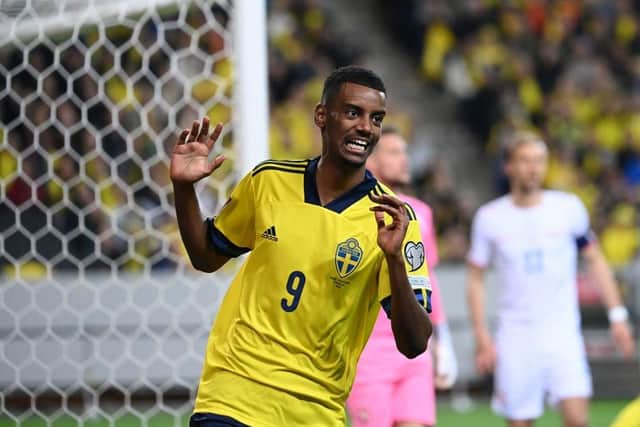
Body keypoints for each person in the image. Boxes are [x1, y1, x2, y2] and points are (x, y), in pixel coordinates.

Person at [170, 66, 433, 427]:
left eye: (376, 119)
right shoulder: (268, 181)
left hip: (314, 407)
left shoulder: (394, 219)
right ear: (322, 116)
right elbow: (205, 256)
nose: (365, 127)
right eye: (353, 113)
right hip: (235, 390)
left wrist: (394, 260)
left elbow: (415, 342)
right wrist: (184, 189)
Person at [466, 132, 636, 427]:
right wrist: (482, 335)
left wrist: (617, 314)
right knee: (519, 422)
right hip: (516, 334)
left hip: (563, 333)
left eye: (539, 161)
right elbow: (475, 278)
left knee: (576, 420)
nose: (533, 168)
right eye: (525, 161)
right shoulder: (490, 217)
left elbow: (595, 260)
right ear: (509, 166)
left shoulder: (567, 208)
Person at [346, 128, 458, 427]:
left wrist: (442, 339)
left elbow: (428, 278)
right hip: (367, 349)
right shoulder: (353, 212)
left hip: (413, 348)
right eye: (394, 152)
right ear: (370, 161)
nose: (404, 160)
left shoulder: (420, 212)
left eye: (404, 152)